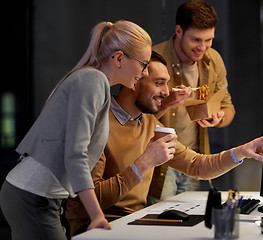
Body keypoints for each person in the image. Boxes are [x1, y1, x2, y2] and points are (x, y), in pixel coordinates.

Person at [65, 51, 263, 236]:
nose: (166, 92)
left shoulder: (151, 123)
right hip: (95, 227)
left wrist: (242, 152)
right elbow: (88, 201)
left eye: (167, 84)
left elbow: (197, 165)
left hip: (134, 221)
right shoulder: (97, 123)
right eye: (159, 83)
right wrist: (145, 162)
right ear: (133, 81)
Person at [0, 20, 152, 240]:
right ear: (119, 58)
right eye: (144, 64)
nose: (145, 73)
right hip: (32, 197)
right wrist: (97, 215)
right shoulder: (93, 81)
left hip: (38, 197)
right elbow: (74, 155)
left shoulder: (91, 80)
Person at [149, 0, 236, 203]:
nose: (202, 47)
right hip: (161, 162)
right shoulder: (154, 60)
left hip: (195, 159)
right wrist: (168, 102)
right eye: (196, 40)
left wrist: (219, 118)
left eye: (209, 40)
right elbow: (135, 121)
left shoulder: (213, 60)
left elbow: (228, 107)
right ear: (178, 31)